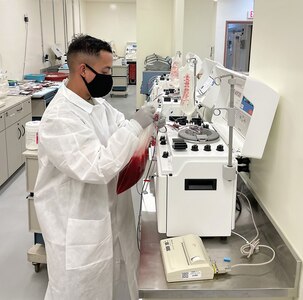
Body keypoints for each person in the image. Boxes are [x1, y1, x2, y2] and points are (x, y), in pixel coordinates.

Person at [34, 34, 165, 300]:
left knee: (111, 283)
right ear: (83, 69)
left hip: (107, 212)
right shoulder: (60, 117)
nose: (109, 76)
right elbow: (97, 166)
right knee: (79, 291)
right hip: (77, 225)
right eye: (105, 71)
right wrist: (136, 126)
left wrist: (148, 127)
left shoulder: (98, 105)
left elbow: (120, 132)